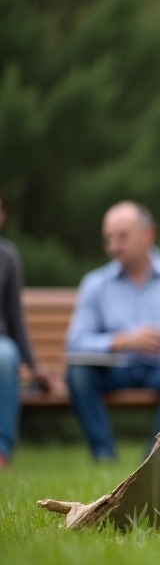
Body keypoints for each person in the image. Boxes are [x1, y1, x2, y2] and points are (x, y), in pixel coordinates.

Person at [65, 201, 160, 461]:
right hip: (114, 368)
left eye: (122, 236)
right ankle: (103, 455)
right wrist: (122, 341)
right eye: (109, 238)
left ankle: (156, 457)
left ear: (148, 234)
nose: (114, 245)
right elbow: (75, 343)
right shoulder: (95, 284)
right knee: (78, 373)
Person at [0, 188, 53, 469]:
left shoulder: (7, 256)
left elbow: (14, 317)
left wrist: (34, 365)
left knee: (6, 355)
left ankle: (1, 451)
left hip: (1, 343)